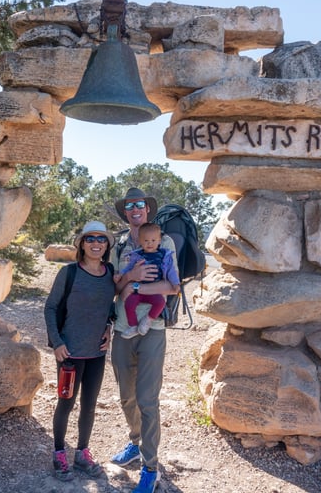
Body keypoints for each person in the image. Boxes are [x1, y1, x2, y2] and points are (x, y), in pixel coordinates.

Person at [109, 188, 180, 493]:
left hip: (153, 329)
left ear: (148, 210)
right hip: (123, 329)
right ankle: (135, 442)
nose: (135, 209)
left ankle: (150, 467)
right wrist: (130, 277)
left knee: (148, 399)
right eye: (130, 206)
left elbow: (172, 287)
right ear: (125, 212)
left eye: (140, 205)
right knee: (127, 396)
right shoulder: (121, 243)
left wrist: (136, 285)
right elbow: (113, 286)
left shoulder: (165, 242)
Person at [44, 220, 116, 482]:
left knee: (89, 405)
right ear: (81, 244)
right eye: (90, 239)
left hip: (97, 354)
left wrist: (109, 327)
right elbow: (51, 307)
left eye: (101, 239)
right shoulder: (69, 273)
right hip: (70, 354)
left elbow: (109, 307)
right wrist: (57, 342)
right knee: (66, 404)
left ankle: (82, 454)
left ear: (107, 245)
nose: (96, 243)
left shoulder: (110, 272)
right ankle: (59, 453)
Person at [114, 222, 180, 339]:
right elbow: (129, 268)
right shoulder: (136, 255)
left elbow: (171, 272)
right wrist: (122, 275)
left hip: (151, 294)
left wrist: (175, 283)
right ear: (140, 241)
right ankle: (133, 325)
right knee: (129, 303)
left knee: (160, 302)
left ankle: (149, 319)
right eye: (146, 241)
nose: (150, 243)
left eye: (153, 241)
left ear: (159, 240)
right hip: (133, 301)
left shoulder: (164, 255)